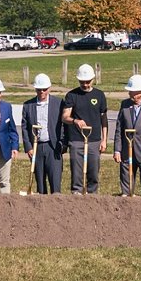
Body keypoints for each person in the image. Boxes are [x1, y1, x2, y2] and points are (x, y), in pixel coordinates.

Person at [62, 63, 108, 194]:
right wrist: (75, 121)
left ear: (93, 80)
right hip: (76, 140)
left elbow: (103, 119)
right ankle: (76, 193)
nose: (85, 84)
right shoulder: (72, 95)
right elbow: (65, 117)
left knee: (93, 171)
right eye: (82, 82)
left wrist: (104, 140)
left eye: (88, 82)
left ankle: (92, 193)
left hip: (94, 140)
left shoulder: (99, 95)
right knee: (77, 171)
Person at [22, 73, 65, 194]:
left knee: (55, 181)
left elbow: (64, 126)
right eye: (39, 89)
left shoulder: (59, 103)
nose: (42, 92)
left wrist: (62, 143)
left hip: (53, 147)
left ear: (49, 88)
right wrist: (28, 147)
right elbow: (25, 128)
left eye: (44, 89)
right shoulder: (28, 105)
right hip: (37, 148)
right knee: (40, 183)